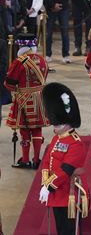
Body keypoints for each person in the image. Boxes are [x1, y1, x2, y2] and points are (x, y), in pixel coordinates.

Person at [39, 82, 90, 234]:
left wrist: (48, 186)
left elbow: (66, 170)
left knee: (69, 231)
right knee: (60, 229)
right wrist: (45, 182)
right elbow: (47, 162)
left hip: (70, 194)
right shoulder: (57, 138)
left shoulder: (76, 143)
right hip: (57, 192)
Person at [5, 33, 49, 169]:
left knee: (24, 130)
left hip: (24, 99)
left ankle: (25, 160)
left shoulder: (19, 62)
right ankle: (36, 160)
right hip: (40, 98)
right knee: (37, 129)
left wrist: (16, 89)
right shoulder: (42, 60)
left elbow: (9, 83)